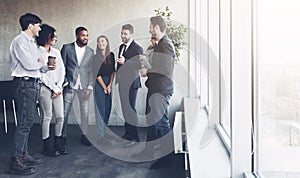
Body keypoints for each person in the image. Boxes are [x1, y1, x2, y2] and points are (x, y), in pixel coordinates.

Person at [9, 13, 55, 175]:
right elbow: (29, 64)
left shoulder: (32, 43)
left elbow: (40, 66)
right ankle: (16, 160)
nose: (40, 28)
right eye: (38, 25)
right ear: (30, 26)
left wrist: (41, 64)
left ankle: (23, 153)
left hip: (32, 83)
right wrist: (39, 64)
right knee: (25, 122)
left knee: (28, 121)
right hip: (25, 83)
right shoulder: (19, 41)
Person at [133, 16, 175, 169]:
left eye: (151, 26)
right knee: (153, 122)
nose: (149, 29)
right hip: (156, 89)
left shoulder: (165, 45)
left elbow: (165, 70)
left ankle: (166, 158)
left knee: (162, 124)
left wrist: (147, 71)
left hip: (160, 91)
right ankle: (148, 151)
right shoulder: (161, 45)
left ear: (157, 27)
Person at [61, 26, 94, 149]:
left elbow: (91, 70)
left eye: (86, 35)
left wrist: (90, 86)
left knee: (85, 112)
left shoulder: (90, 51)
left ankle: (85, 135)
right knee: (64, 113)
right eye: (83, 35)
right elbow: (62, 67)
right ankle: (61, 137)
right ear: (76, 36)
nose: (85, 37)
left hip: (84, 86)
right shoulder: (67, 48)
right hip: (70, 85)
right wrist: (64, 82)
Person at [36, 24, 65, 157]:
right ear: (47, 36)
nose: (55, 38)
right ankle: (47, 146)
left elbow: (62, 70)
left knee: (60, 116)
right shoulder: (37, 52)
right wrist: (52, 88)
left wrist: (58, 87)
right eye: (53, 35)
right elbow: (40, 74)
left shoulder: (56, 52)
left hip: (58, 88)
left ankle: (58, 143)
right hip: (45, 88)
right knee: (47, 116)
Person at [116, 24, 143, 147]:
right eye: (122, 33)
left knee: (130, 110)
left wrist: (125, 62)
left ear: (131, 34)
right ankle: (128, 134)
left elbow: (138, 65)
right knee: (125, 110)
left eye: (125, 34)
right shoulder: (121, 47)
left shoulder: (138, 48)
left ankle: (135, 137)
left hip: (132, 84)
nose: (123, 36)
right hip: (122, 82)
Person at [92, 35, 115, 145]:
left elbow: (112, 71)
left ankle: (105, 132)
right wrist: (104, 87)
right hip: (99, 83)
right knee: (100, 110)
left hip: (108, 82)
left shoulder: (111, 56)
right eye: (99, 42)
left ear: (107, 43)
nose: (101, 43)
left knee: (108, 108)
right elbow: (97, 74)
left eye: (103, 41)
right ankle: (100, 136)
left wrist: (110, 85)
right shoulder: (95, 57)